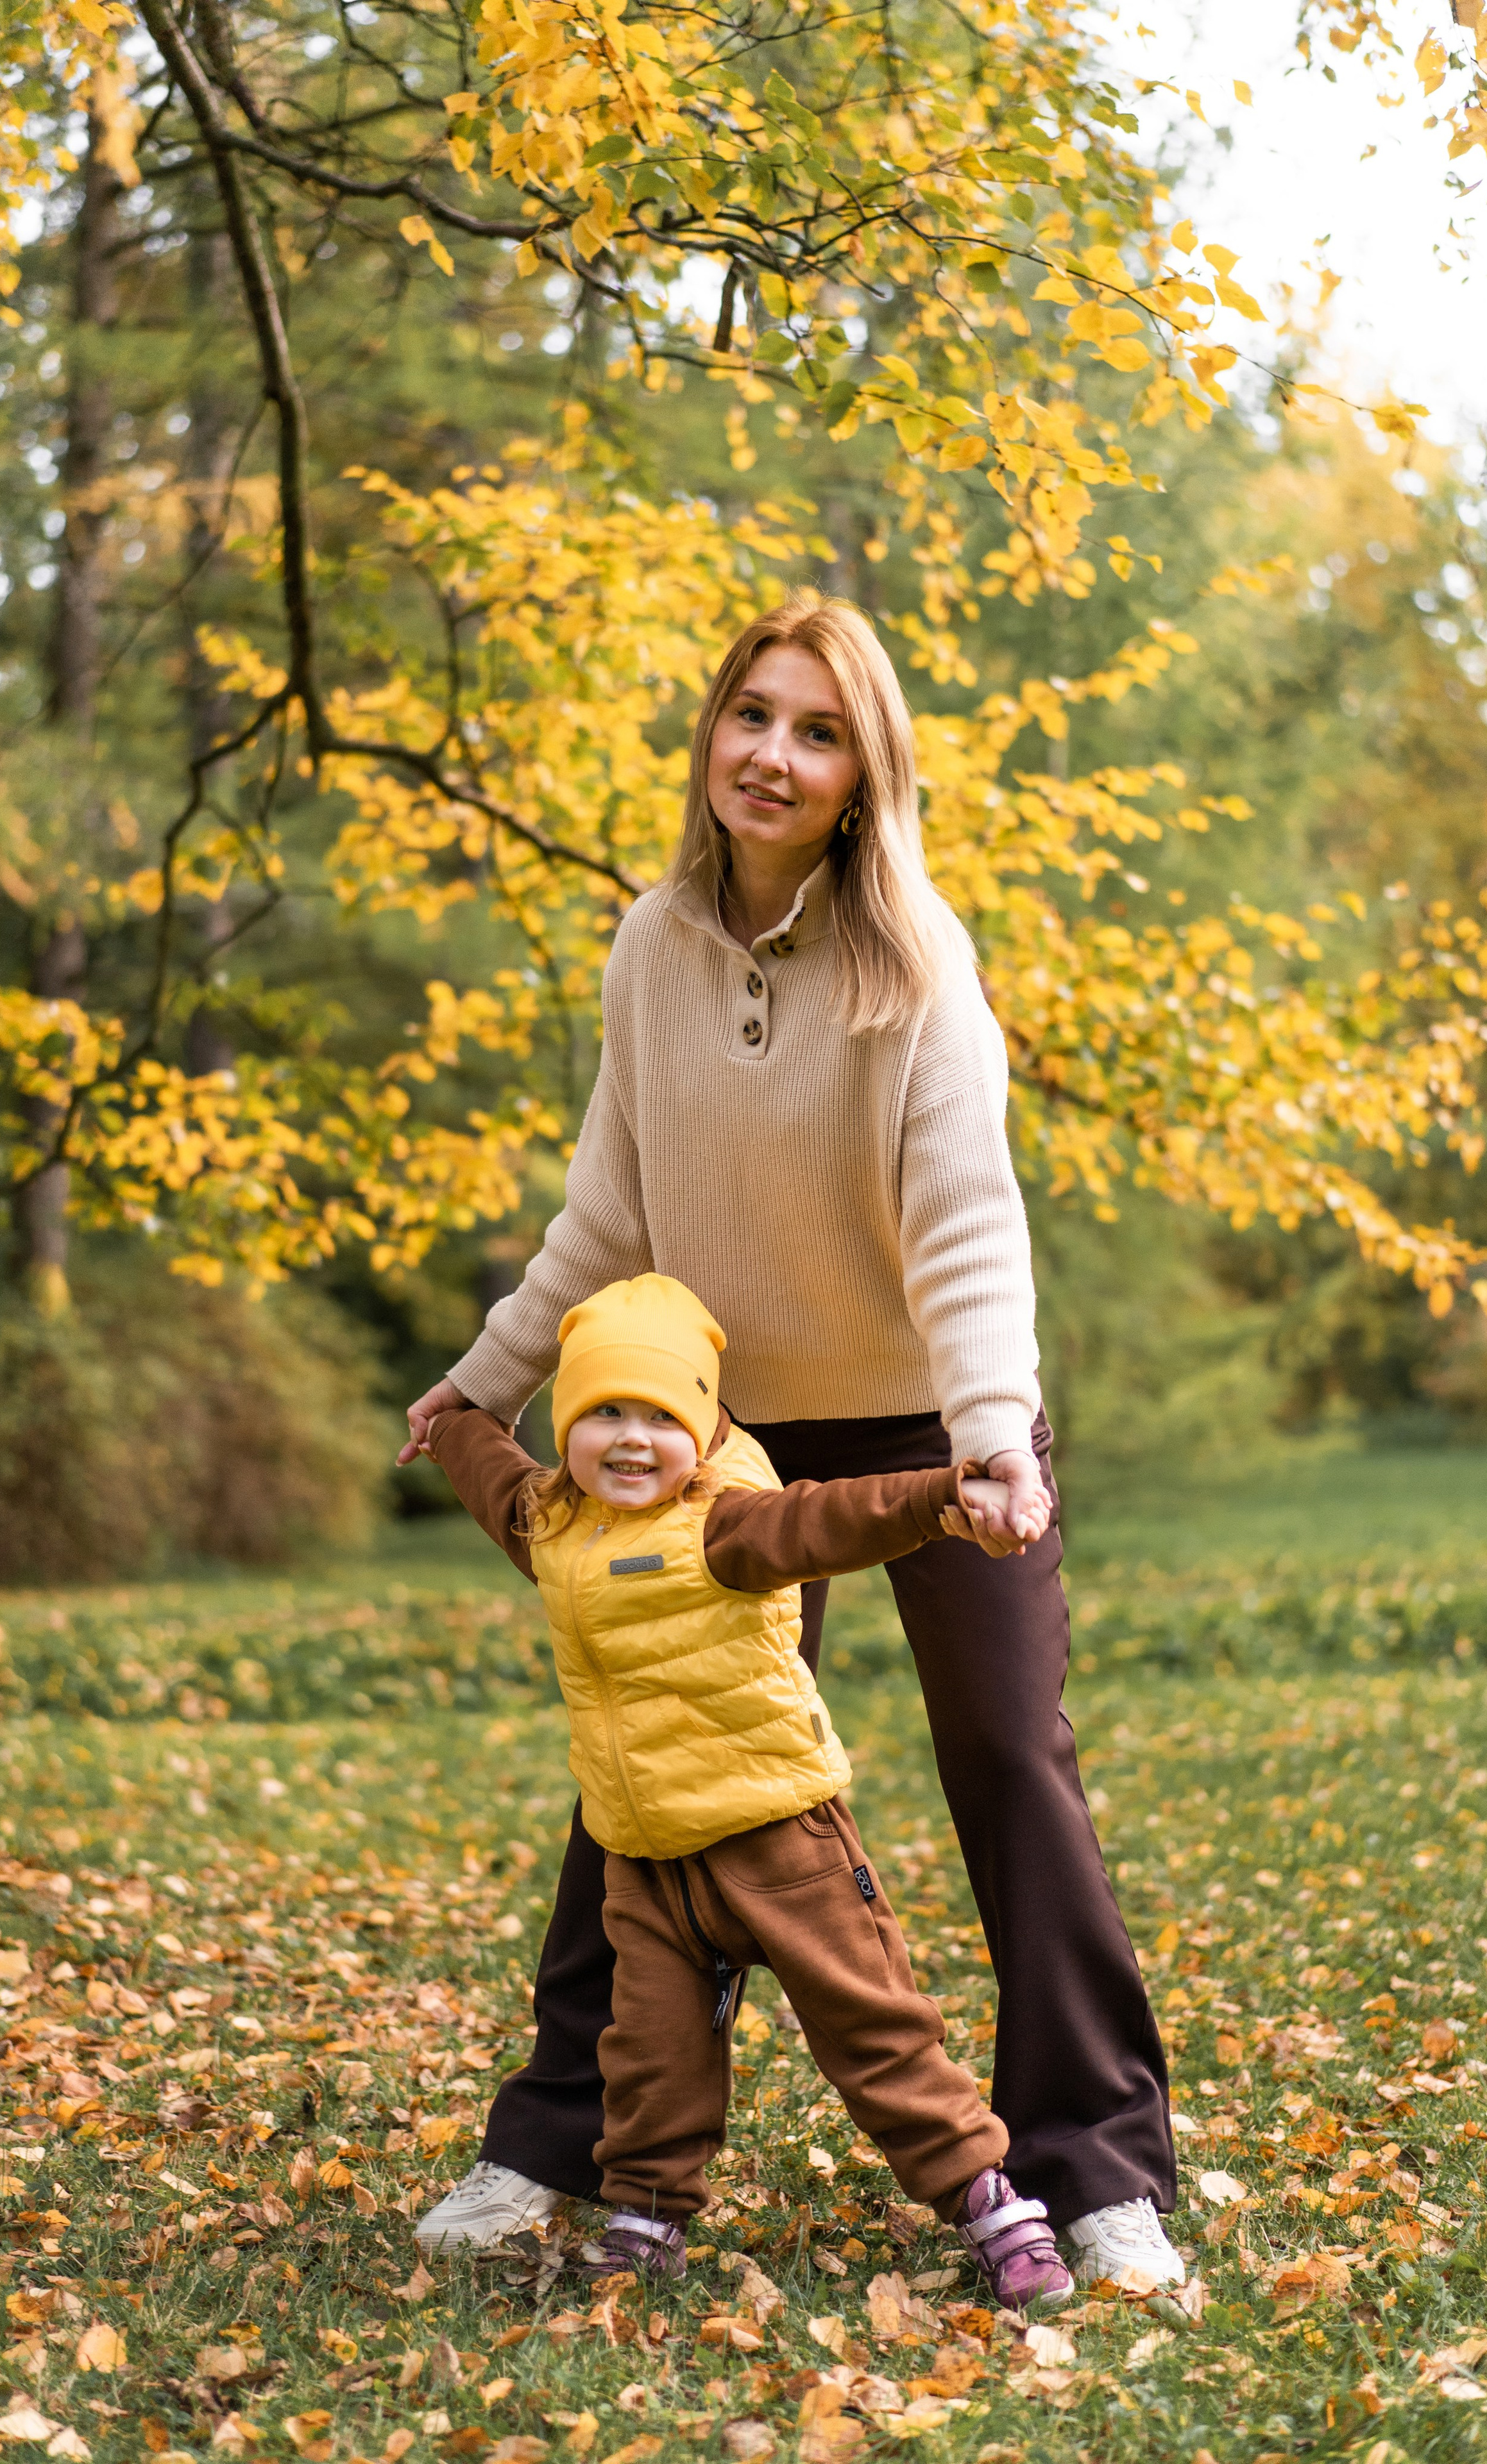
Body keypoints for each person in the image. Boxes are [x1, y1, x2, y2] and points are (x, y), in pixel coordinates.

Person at [400, 592, 1182, 2290]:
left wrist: (993, 1448)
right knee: (662, 1761)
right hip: (726, 1444)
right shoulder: (649, 945)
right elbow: (604, 1214)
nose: (774, 752)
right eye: (754, 714)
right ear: (712, 735)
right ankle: (555, 2144)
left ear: (860, 776)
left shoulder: (914, 963)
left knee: (1009, 1758)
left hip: (936, 1422)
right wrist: (479, 1388)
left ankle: (1100, 2164)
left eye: (818, 731)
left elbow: (969, 1229)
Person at [423, 1271, 1074, 2306]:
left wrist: (950, 1495)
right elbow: (491, 1474)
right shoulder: (555, 1529)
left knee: (877, 2035)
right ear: (566, 1427)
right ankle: (643, 2213)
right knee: (651, 2054)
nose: (630, 1440)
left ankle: (994, 2204)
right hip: (646, 1860)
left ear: (701, 1425)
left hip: (783, 1845)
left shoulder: (728, 1526)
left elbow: (842, 1517)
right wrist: (455, 1415)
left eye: (658, 1415)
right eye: (601, 1414)